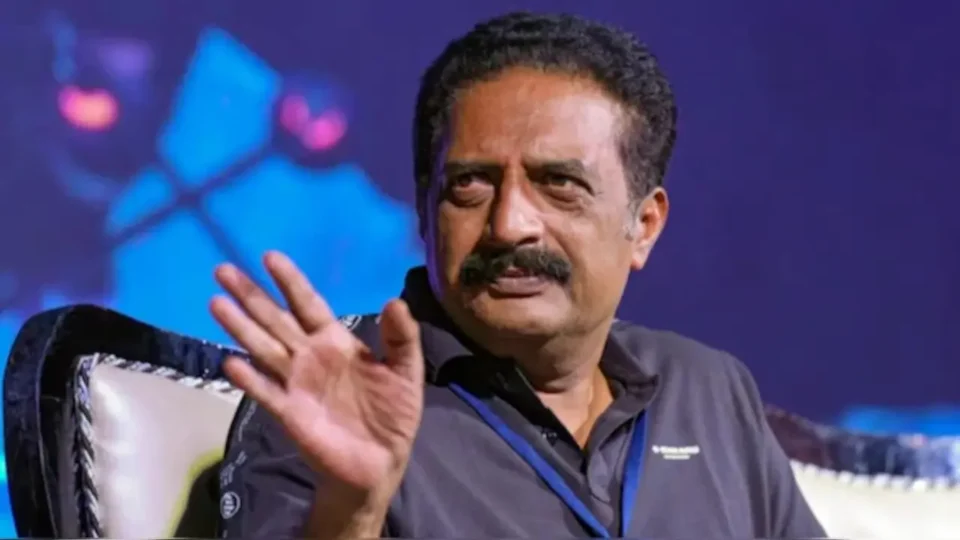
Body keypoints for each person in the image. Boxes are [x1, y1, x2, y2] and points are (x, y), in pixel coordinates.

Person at [211, 11, 826, 539]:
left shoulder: (707, 388)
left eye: (559, 184)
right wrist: (353, 509)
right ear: (425, 209)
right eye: (470, 184)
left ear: (643, 225)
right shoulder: (333, 394)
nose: (508, 226)